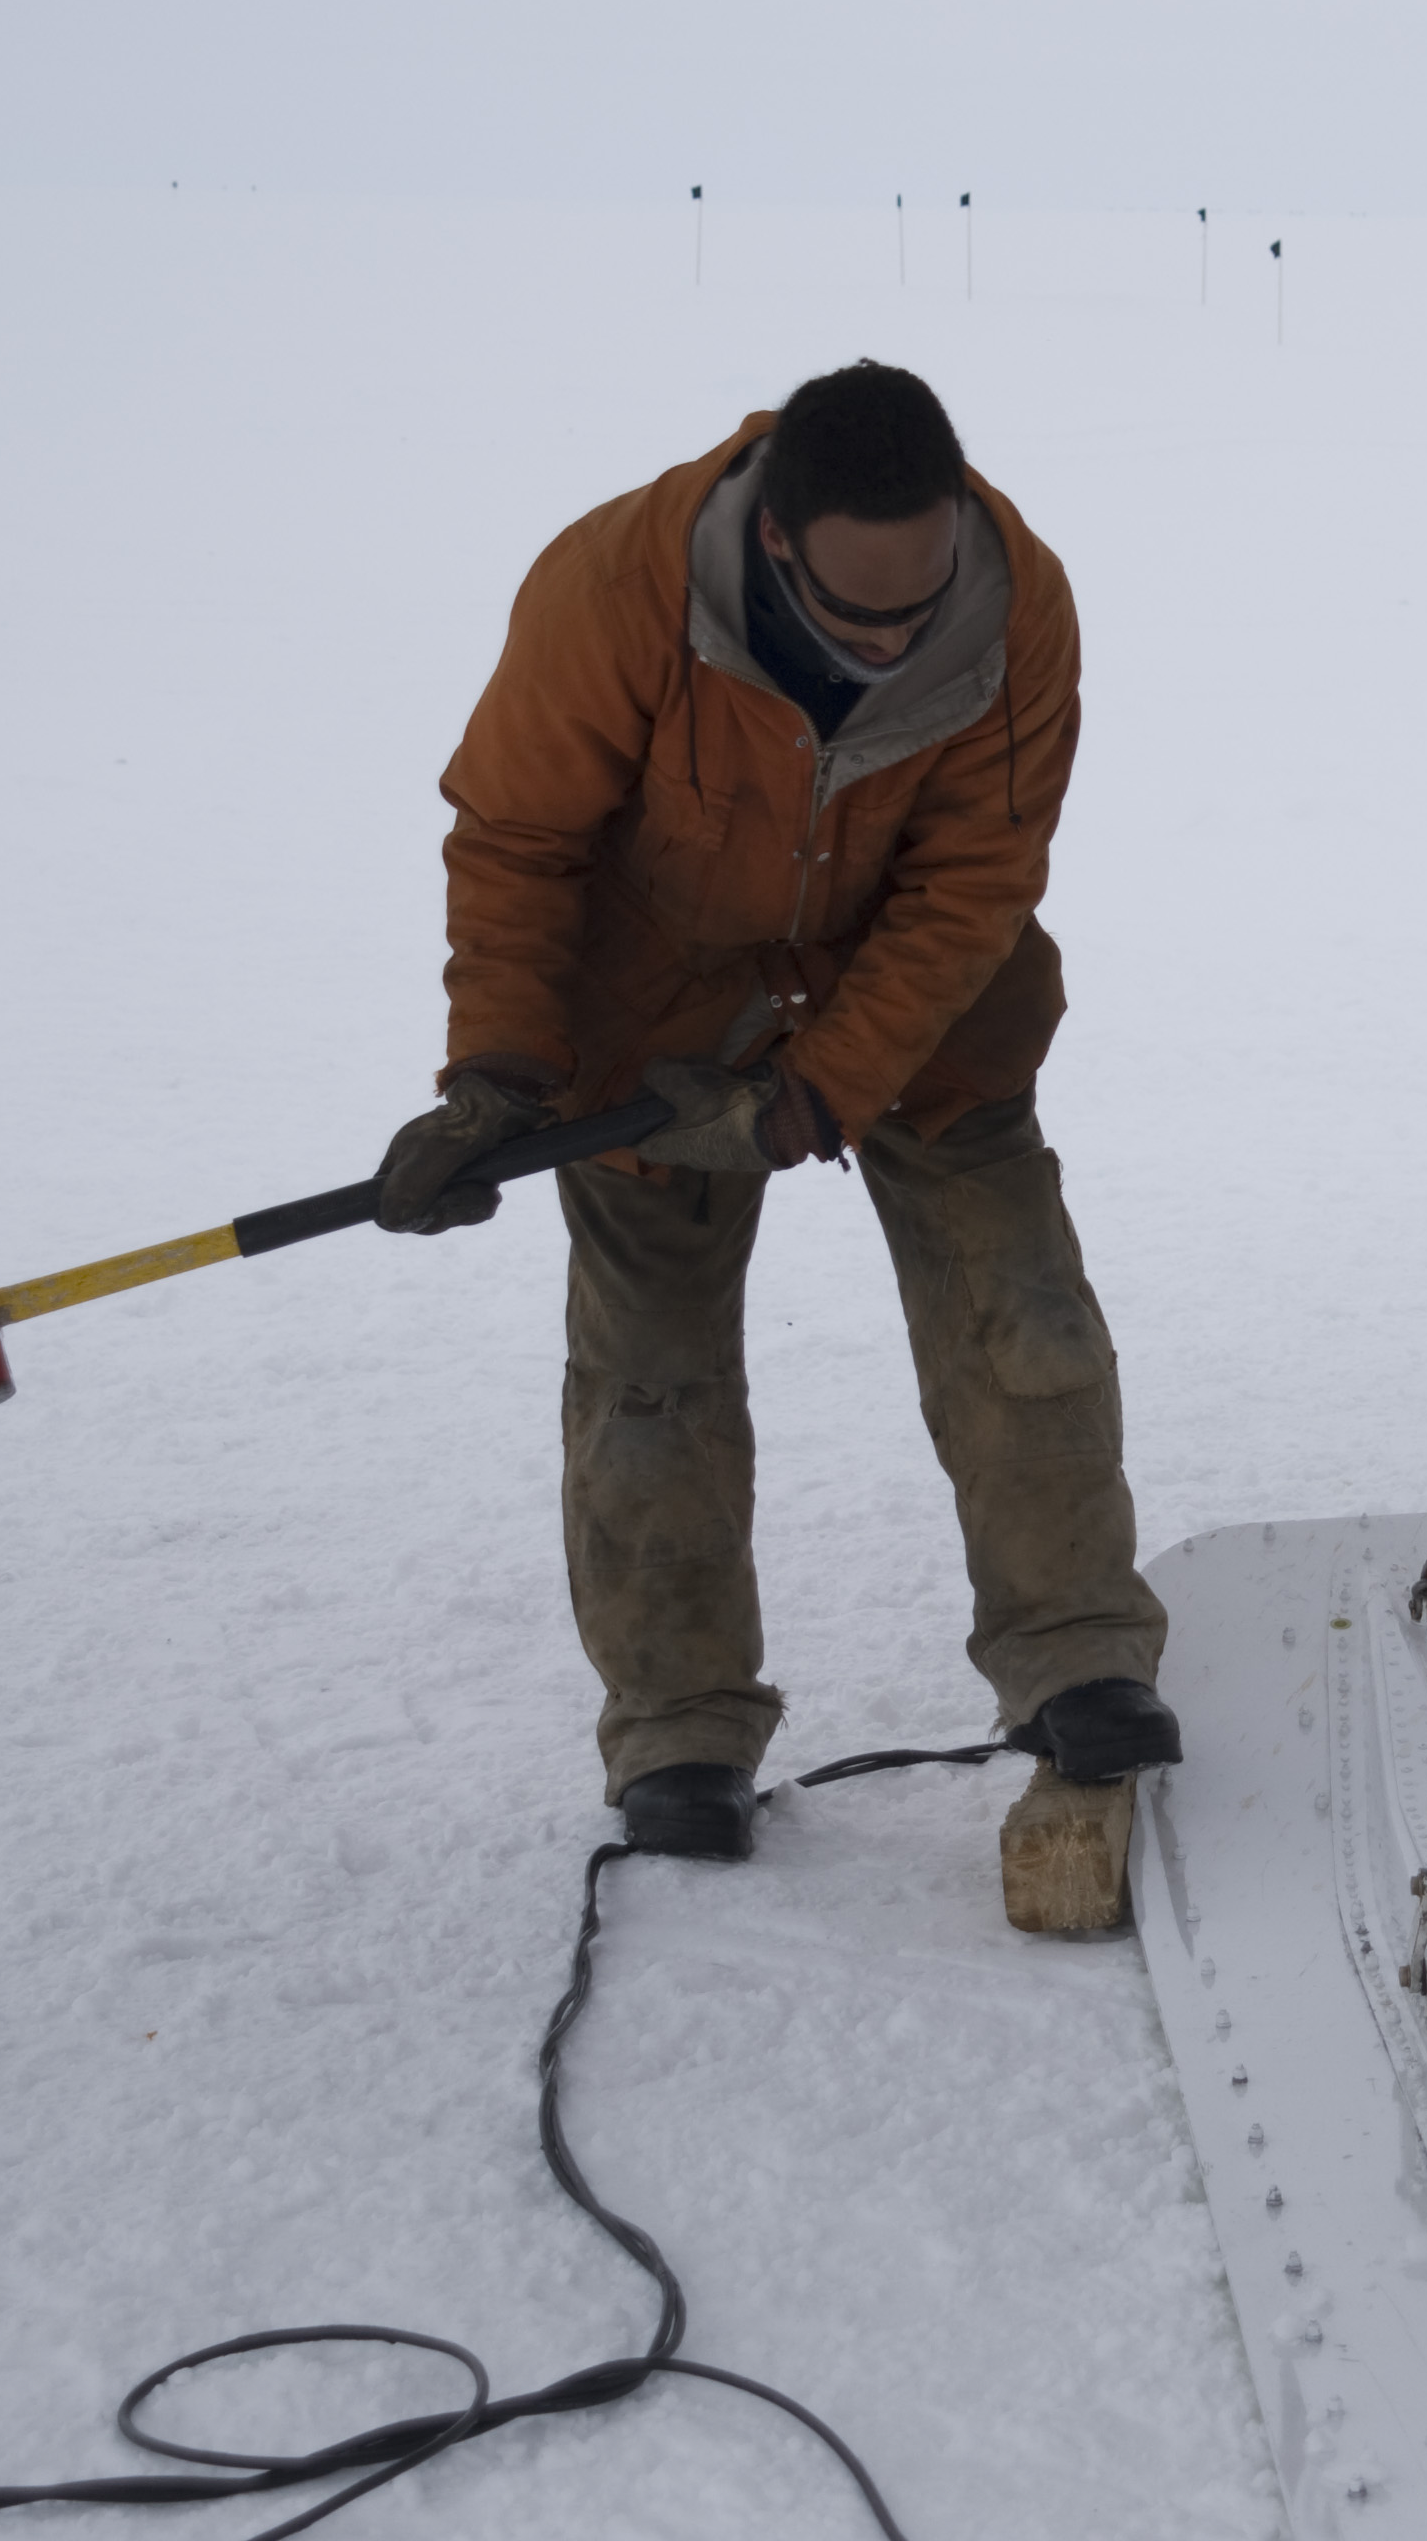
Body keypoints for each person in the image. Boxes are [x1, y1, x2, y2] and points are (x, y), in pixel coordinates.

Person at [370, 362, 1177, 1930]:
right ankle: (679, 1732)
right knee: (650, 1382)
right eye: (853, 617)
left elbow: (975, 879)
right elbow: (520, 838)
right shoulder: (614, 587)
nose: (889, 644)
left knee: (1022, 1313)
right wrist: (500, 1077)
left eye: (916, 610)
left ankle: (1078, 1656)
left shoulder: (1019, 607)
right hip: (649, 1014)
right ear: (778, 540)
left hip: (925, 1010)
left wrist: (822, 1087)